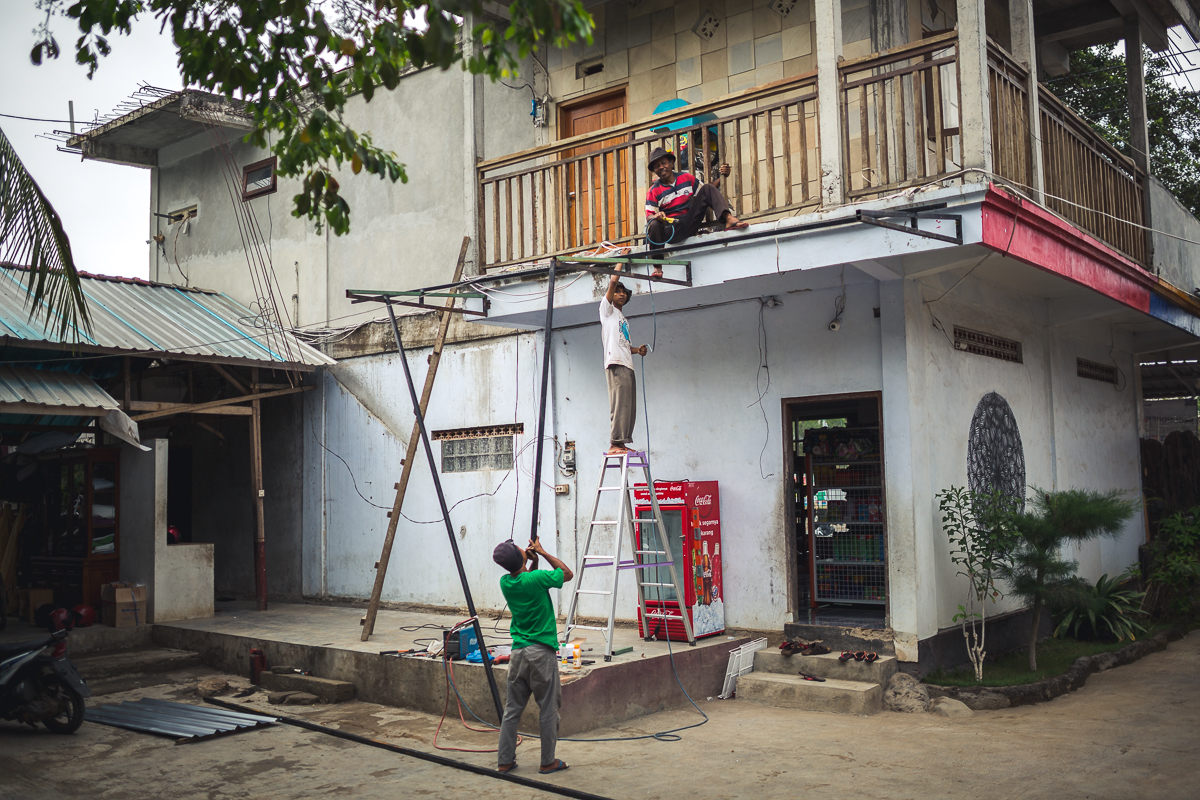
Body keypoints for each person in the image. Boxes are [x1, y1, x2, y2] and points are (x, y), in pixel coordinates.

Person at [494, 537, 575, 775]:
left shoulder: (505, 582)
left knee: (512, 710)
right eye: (521, 550)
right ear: (521, 558)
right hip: (541, 653)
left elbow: (526, 580)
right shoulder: (537, 579)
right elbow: (566, 573)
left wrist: (531, 561)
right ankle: (547, 761)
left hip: (518, 653)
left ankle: (504, 761)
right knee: (548, 709)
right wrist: (542, 552)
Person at [644, 146, 748, 276]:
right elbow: (649, 216)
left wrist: (722, 177)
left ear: (671, 163)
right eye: (657, 166)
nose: (661, 167)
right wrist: (656, 216)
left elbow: (705, 191)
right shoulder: (653, 190)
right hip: (671, 230)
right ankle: (657, 267)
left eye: (664, 163)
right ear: (655, 171)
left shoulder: (686, 177)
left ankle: (728, 219)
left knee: (707, 188)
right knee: (653, 224)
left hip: (689, 222)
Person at [600, 263, 649, 455]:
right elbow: (613, 279)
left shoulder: (622, 318)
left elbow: (623, 343)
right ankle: (615, 443)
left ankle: (622, 443)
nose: (621, 294)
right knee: (619, 404)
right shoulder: (607, 311)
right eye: (618, 292)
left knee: (629, 406)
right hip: (615, 363)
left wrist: (637, 350)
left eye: (624, 293)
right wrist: (621, 259)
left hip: (627, 364)